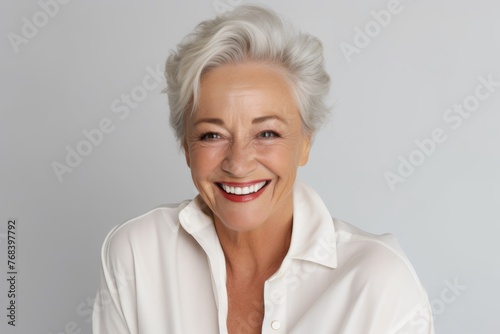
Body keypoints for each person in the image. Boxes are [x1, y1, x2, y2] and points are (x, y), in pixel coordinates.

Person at [92, 5, 434, 334]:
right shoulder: (137, 254)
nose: (238, 164)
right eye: (212, 135)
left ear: (305, 143)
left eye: (267, 133)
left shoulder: (378, 282)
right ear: (185, 146)